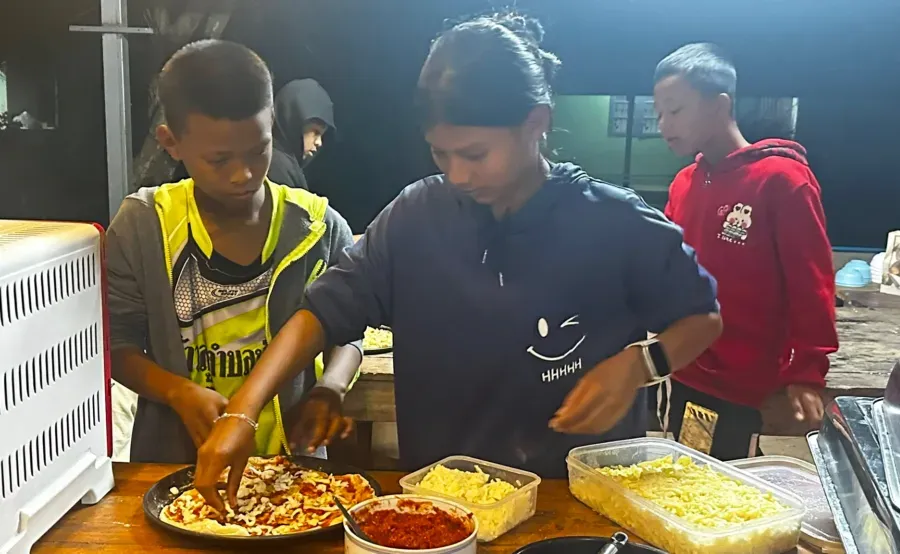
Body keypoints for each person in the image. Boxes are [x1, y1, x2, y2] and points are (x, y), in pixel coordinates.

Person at [194, 13, 722, 512]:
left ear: (536, 123)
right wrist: (243, 408)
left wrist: (638, 366)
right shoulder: (416, 217)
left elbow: (703, 317)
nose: (459, 175)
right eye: (441, 155)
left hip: (579, 502)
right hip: (444, 505)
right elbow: (321, 314)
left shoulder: (613, 220)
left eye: (475, 154)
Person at [106, 39, 361, 464]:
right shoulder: (144, 226)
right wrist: (178, 392)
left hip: (292, 474)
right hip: (175, 466)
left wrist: (328, 388)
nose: (243, 174)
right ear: (171, 142)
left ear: (273, 124)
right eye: (219, 159)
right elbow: (116, 346)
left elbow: (347, 333)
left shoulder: (318, 227)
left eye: (258, 150)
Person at [654, 43, 838, 460]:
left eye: (676, 110)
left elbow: (812, 285)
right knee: (686, 473)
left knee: (732, 489)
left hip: (748, 383)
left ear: (720, 106)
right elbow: (666, 266)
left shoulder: (782, 180)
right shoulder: (684, 182)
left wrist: (807, 372)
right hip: (686, 366)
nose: (664, 123)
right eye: (659, 112)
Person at [267, 79, 337, 190]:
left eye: (322, 135)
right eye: (315, 132)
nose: (319, 142)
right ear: (294, 121)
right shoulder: (277, 167)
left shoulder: (279, 162)